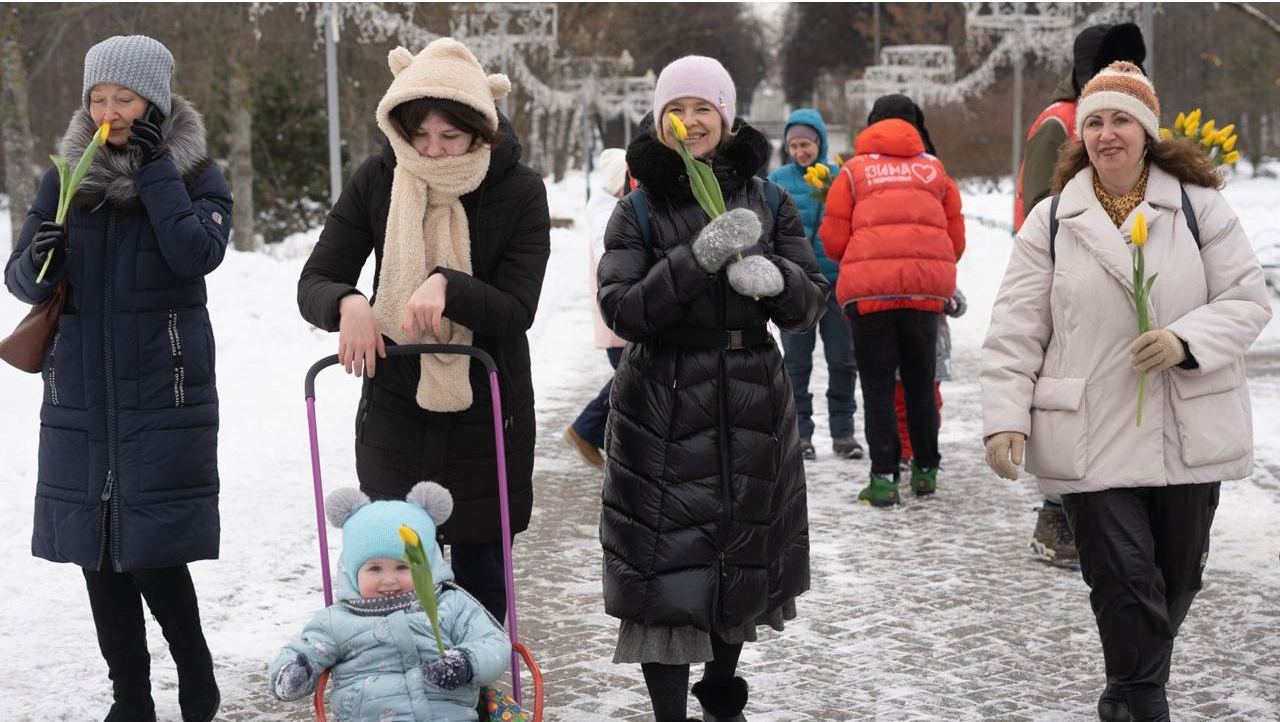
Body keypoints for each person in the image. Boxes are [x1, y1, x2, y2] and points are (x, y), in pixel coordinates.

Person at [982, 61, 1271, 721]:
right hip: (1092, 432)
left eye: (1120, 120)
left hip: (1187, 427)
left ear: (1146, 130)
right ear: (1079, 136)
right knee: (1123, 579)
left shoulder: (1199, 208)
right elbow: (1015, 329)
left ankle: (1131, 690)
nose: (1107, 134)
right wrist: (1006, 418)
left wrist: (1185, 340)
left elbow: (1247, 299)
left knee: (1176, 578)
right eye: (1094, 122)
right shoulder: (1052, 221)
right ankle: (1138, 702)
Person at [3, 35, 228, 722]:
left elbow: (195, 254)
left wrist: (155, 168)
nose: (109, 111)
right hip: (82, 393)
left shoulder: (197, 176)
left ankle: (194, 669)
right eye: (98, 98)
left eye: (123, 98)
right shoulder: (66, 178)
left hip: (163, 386)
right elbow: (20, 282)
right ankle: (130, 698)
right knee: (98, 555)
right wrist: (39, 256)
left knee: (152, 549)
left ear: (154, 102)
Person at [597, 55, 827, 722]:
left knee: (739, 553)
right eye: (678, 109)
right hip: (663, 401)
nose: (691, 121)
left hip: (752, 395)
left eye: (704, 109)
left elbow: (810, 304)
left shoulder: (771, 197)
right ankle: (670, 713)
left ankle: (722, 697)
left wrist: (778, 280)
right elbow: (626, 312)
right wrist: (697, 259)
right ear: (660, 118)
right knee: (664, 565)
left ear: (726, 118)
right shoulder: (637, 207)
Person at [297, 38, 550, 626]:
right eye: (419, 134)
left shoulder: (519, 191)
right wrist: (348, 302)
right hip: (396, 405)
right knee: (397, 577)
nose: (432, 151)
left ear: (480, 131)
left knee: (484, 578)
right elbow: (318, 277)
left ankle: (483, 695)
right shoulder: (378, 179)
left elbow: (517, 308)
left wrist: (448, 285)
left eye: (450, 136)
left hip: (487, 406)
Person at [1013, 22, 1146, 566]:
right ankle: (1055, 516)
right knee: (1066, 388)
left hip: (1120, 274)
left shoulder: (1133, 117)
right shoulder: (1062, 121)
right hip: (1063, 273)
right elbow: (1043, 201)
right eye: (1110, 65)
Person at [819, 93, 965, 506]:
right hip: (924, 294)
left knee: (879, 390)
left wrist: (866, 259)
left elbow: (833, 241)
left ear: (870, 126)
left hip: (870, 296)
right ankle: (925, 474)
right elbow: (954, 240)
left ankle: (884, 479)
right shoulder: (935, 170)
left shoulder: (852, 172)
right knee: (920, 387)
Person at [268, 482, 510, 720]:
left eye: (403, 567)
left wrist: (465, 662)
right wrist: (294, 672)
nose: (389, 580)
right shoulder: (337, 620)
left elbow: (493, 642)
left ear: (427, 567)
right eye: (374, 569)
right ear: (352, 573)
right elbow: (308, 650)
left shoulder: (451, 605)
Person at [767, 109, 861, 461]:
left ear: (819, 142)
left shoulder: (838, 177)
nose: (799, 152)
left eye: (805, 144)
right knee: (795, 365)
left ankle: (844, 432)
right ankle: (799, 433)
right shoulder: (778, 179)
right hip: (796, 289)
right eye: (793, 145)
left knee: (842, 362)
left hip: (837, 286)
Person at [564, 148, 629, 467]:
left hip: (620, 318)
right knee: (631, 380)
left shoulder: (613, 206)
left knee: (633, 383)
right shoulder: (608, 212)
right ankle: (586, 428)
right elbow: (615, 258)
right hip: (619, 319)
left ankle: (598, 434)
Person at [894, 289, 965, 470]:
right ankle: (904, 451)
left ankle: (925, 450)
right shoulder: (894, 277)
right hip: (899, 350)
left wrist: (950, 301)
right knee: (900, 405)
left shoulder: (936, 274)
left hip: (933, 352)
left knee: (931, 405)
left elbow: (959, 305)